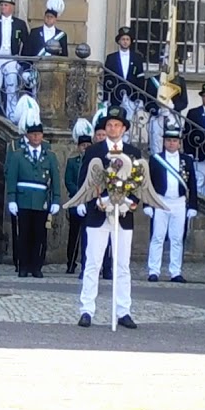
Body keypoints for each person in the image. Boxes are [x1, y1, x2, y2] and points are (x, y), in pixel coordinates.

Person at [75, 106, 142, 329]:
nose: (113, 128)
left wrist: (131, 202)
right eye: (109, 125)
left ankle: (123, 310)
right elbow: (86, 180)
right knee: (92, 262)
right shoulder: (94, 151)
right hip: (98, 213)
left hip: (123, 215)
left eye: (117, 125)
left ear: (124, 128)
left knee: (122, 265)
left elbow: (138, 184)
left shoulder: (133, 152)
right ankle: (87, 309)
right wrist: (96, 201)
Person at [6, 112, 60, 278]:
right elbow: (11, 178)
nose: (36, 137)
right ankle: (23, 266)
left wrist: (56, 199)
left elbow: (55, 178)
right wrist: (11, 199)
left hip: (41, 200)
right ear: (27, 136)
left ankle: (37, 266)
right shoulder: (17, 155)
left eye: (39, 134)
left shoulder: (50, 156)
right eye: (33, 134)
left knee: (40, 236)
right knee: (23, 235)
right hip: (23, 199)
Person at [146, 126, 198, 283]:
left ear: (179, 143)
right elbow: (148, 183)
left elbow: (192, 184)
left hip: (179, 202)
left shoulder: (187, 160)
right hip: (161, 201)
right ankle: (153, 270)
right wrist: (147, 204)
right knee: (157, 237)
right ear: (164, 142)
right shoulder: (156, 159)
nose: (171, 143)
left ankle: (175, 271)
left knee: (177, 239)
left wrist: (193, 206)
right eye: (168, 140)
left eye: (174, 141)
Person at [65, 119, 94, 274]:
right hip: (76, 201)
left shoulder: (94, 162)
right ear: (79, 147)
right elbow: (69, 181)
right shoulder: (72, 162)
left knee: (88, 235)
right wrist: (79, 195)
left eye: (88, 146)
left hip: (90, 201)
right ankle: (71, 262)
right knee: (74, 234)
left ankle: (87, 262)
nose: (85, 148)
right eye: (83, 146)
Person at [102, 27, 145, 126]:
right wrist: (105, 99)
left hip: (131, 96)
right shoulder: (111, 58)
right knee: (115, 121)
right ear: (119, 41)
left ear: (130, 41)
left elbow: (140, 80)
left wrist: (140, 98)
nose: (125, 42)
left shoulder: (137, 58)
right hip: (115, 96)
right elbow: (106, 79)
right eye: (123, 39)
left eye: (127, 39)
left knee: (129, 124)